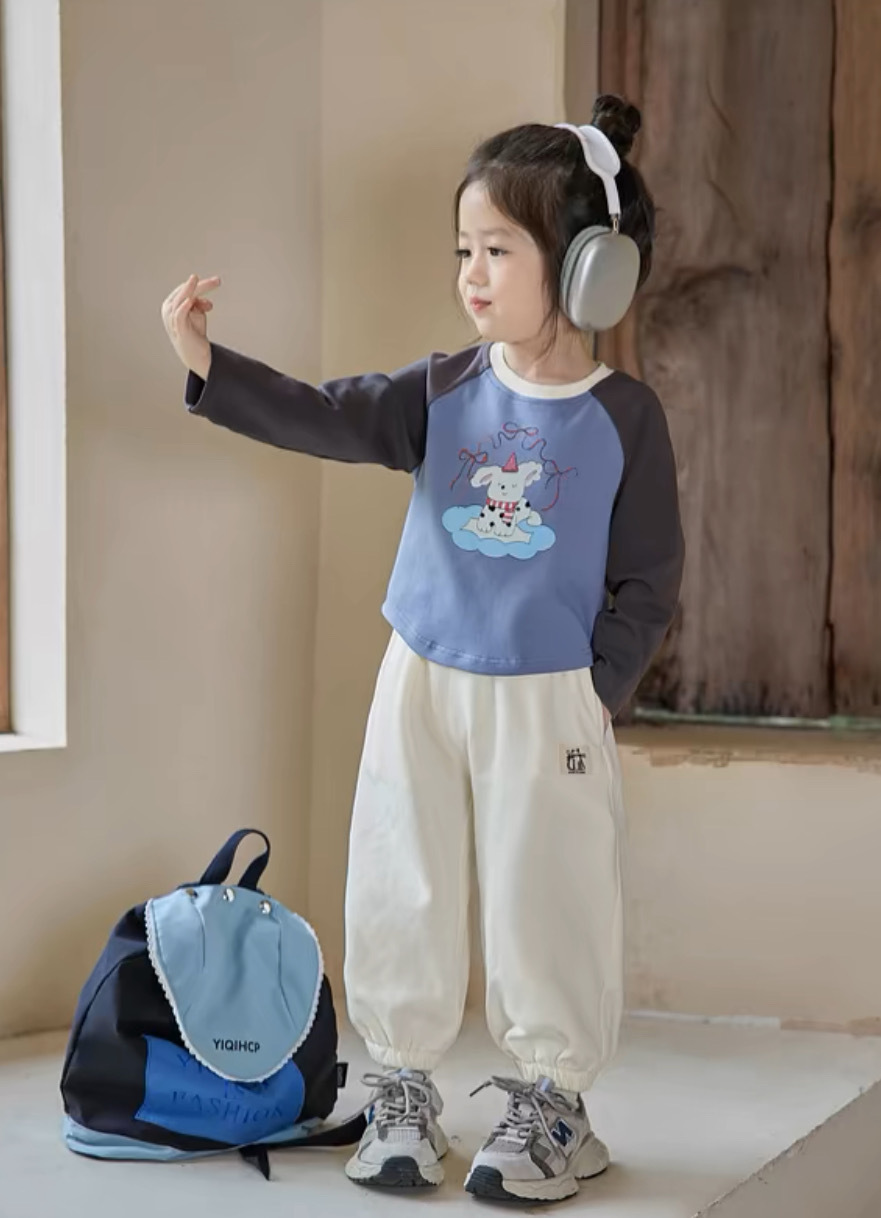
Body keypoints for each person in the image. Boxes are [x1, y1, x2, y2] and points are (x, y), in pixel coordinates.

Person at [161, 93, 684, 1206]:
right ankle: (401, 1088)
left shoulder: (622, 417)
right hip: (421, 679)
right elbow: (325, 414)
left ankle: (553, 1102)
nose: (471, 274)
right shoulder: (445, 388)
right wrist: (210, 364)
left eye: (497, 250)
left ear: (586, 266)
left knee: (548, 893)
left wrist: (596, 685)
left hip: (547, 695)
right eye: (463, 250)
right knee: (401, 874)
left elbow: (648, 576)